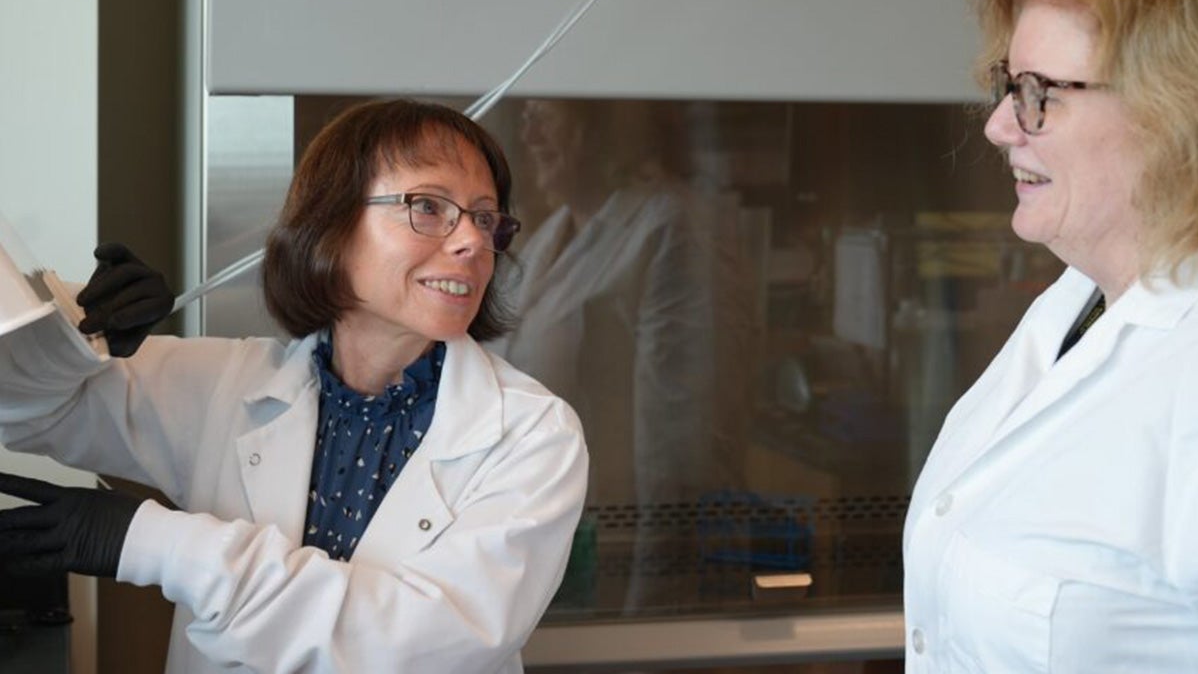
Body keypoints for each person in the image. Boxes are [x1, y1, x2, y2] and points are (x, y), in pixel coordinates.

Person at [0, 99, 589, 673]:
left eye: (485, 217)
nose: (472, 242)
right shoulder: (223, 388)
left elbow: (423, 647)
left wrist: (153, 544)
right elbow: (28, 409)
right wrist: (80, 335)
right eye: (429, 207)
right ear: (331, 224)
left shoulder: (532, 435)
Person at [904, 0, 1198, 671]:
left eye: (1040, 94)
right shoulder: (1076, 302)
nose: (1002, 126)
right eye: (1008, 86)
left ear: (1175, 110)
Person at [490, 99, 752, 610]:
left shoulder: (675, 229)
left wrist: (653, 613)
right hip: (539, 555)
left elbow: (680, 449)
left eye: (547, 111)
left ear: (604, 124)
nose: (529, 131)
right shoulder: (556, 232)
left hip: (621, 561)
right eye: (527, 114)